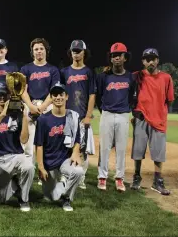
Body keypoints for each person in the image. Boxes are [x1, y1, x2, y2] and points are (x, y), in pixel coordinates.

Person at [0, 81, 34, 212]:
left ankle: (24, 199)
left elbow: (24, 139)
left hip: (16, 155)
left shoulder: (18, 115)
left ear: (10, 96)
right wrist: (2, 115)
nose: (2, 98)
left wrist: (25, 117)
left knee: (29, 167)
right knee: (2, 199)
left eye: (5, 95)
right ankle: (14, 183)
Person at [130, 48, 174, 195]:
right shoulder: (136, 76)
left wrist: (160, 114)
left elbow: (169, 100)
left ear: (157, 60)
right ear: (143, 61)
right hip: (141, 118)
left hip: (159, 120)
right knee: (137, 151)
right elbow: (123, 83)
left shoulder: (166, 78)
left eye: (153, 58)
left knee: (158, 153)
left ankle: (157, 182)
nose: (150, 61)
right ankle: (137, 177)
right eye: (147, 59)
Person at [35, 82, 84, 211]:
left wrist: (75, 153)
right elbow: (39, 145)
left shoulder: (73, 116)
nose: (58, 97)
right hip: (48, 163)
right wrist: (40, 167)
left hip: (64, 160)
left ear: (67, 97)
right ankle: (60, 186)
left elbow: (77, 139)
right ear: (51, 98)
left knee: (78, 171)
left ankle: (66, 198)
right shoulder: (43, 119)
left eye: (61, 94)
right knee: (51, 197)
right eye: (55, 95)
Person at [95, 43, 135, 192]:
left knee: (121, 148)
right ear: (110, 59)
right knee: (104, 148)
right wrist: (104, 110)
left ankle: (119, 178)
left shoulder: (130, 77)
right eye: (114, 55)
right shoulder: (103, 76)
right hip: (107, 114)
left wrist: (127, 109)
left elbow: (132, 97)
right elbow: (98, 96)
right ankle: (102, 177)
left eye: (119, 55)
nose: (116, 57)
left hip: (123, 115)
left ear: (125, 58)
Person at [60, 39, 96, 190]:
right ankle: (65, 174)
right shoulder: (64, 72)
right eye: (74, 51)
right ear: (71, 53)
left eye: (79, 51)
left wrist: (88, 115)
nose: (76, 53)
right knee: (66, 147)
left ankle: (81, 177)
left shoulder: (88, 72)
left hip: (82, 116)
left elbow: (92, 95)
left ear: (84, 52)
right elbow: (59, 94)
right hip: (67, 116)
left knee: (83, 149)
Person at [20, 38, 60, 167]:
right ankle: (28, 172)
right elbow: (22, 91)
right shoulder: (26, 69)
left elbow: (53, 91)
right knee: (27, 145)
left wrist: (42, 107)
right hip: (29, 106)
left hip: (47, 106)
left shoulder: (53, 70)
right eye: (36, 49)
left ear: (46, 51)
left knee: (47, 142)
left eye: (41, 48)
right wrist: (31, 106)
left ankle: (46, 171)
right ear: (32, 52)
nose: (39, 51)